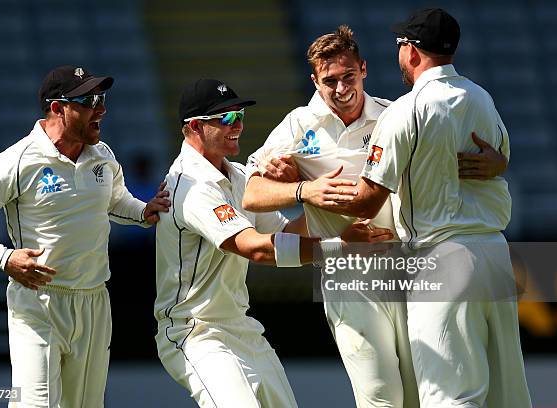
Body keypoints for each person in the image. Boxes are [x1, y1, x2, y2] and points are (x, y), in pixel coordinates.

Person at [242, 26, 507, 408]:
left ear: (363, 69)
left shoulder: (393, 114)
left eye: (348, 76)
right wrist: (303, 190)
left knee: (424, 393)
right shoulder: (298, 126)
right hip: (347, 276)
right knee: (380, 394)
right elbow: (252, 194)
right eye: (329, 80)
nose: (340, 88)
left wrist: (499, 163)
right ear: (314, 80)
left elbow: (446, 159)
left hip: (409, 273)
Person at [307, 9, 532, 407]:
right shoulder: (482, 96)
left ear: (410, 52)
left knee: (449, 395)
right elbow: (499, 159)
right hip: (495, 255)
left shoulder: (404, 110)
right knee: (505, 396)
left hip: (440, 258)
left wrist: (307, 189)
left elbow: (369, 199)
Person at [154, 79, 392, 408]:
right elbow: (256, 248)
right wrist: (339, 245)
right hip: (194, 333)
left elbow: (288, 233)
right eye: (225, 119)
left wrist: (313, 187)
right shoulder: (190, 185)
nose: (237, 125)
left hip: (241, 325)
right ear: (194, 127)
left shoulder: (237, 175)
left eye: (239, 116)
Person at [0, 65, 168, 408]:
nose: (102, 109)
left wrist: (143, 211)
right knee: (35, 405)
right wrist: (5, 258)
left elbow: (113, 201)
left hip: (94, 302)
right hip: (39, 303)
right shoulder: (19, 160)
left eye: (102, 98)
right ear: (58, 108)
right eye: (90, 100)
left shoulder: (103, 156)